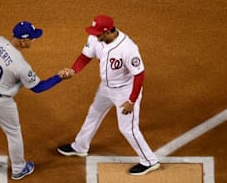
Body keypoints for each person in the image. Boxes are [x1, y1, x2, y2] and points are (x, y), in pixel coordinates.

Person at [57, 15, 160, 175]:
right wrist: (73, 70)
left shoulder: (128, 48)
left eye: (98, 33)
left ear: (107, 32)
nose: (94, 36)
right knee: (94, 113)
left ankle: (149, 161)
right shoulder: (95, 38)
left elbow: (139, 75)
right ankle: (80, 147)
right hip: (106, 88)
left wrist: (131, 100)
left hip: (125, 91)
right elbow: (85, 57)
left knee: (128, 128)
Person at [0, 21, 68, 180]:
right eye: (32, 39)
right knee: (14, 133)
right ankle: (19, 168)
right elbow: (38, 87)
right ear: (23, 40)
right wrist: (59, 77)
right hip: (0, 103)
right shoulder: (21, 65)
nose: (34, 41)